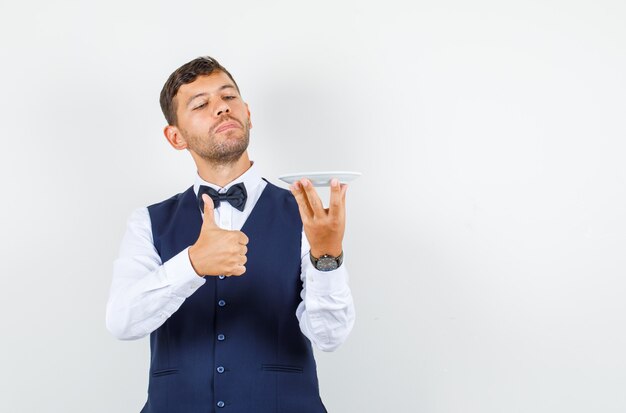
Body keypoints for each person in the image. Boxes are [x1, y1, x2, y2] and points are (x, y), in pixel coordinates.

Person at [105, 56, 355, 413]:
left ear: (248, 114)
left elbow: (329, 337)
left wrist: (326, 257)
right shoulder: (147, 222)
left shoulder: (305, 213)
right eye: (201, 104)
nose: (221, 108)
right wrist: (192, 265)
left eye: (229, 97)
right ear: (175, 137)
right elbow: (122, 322)